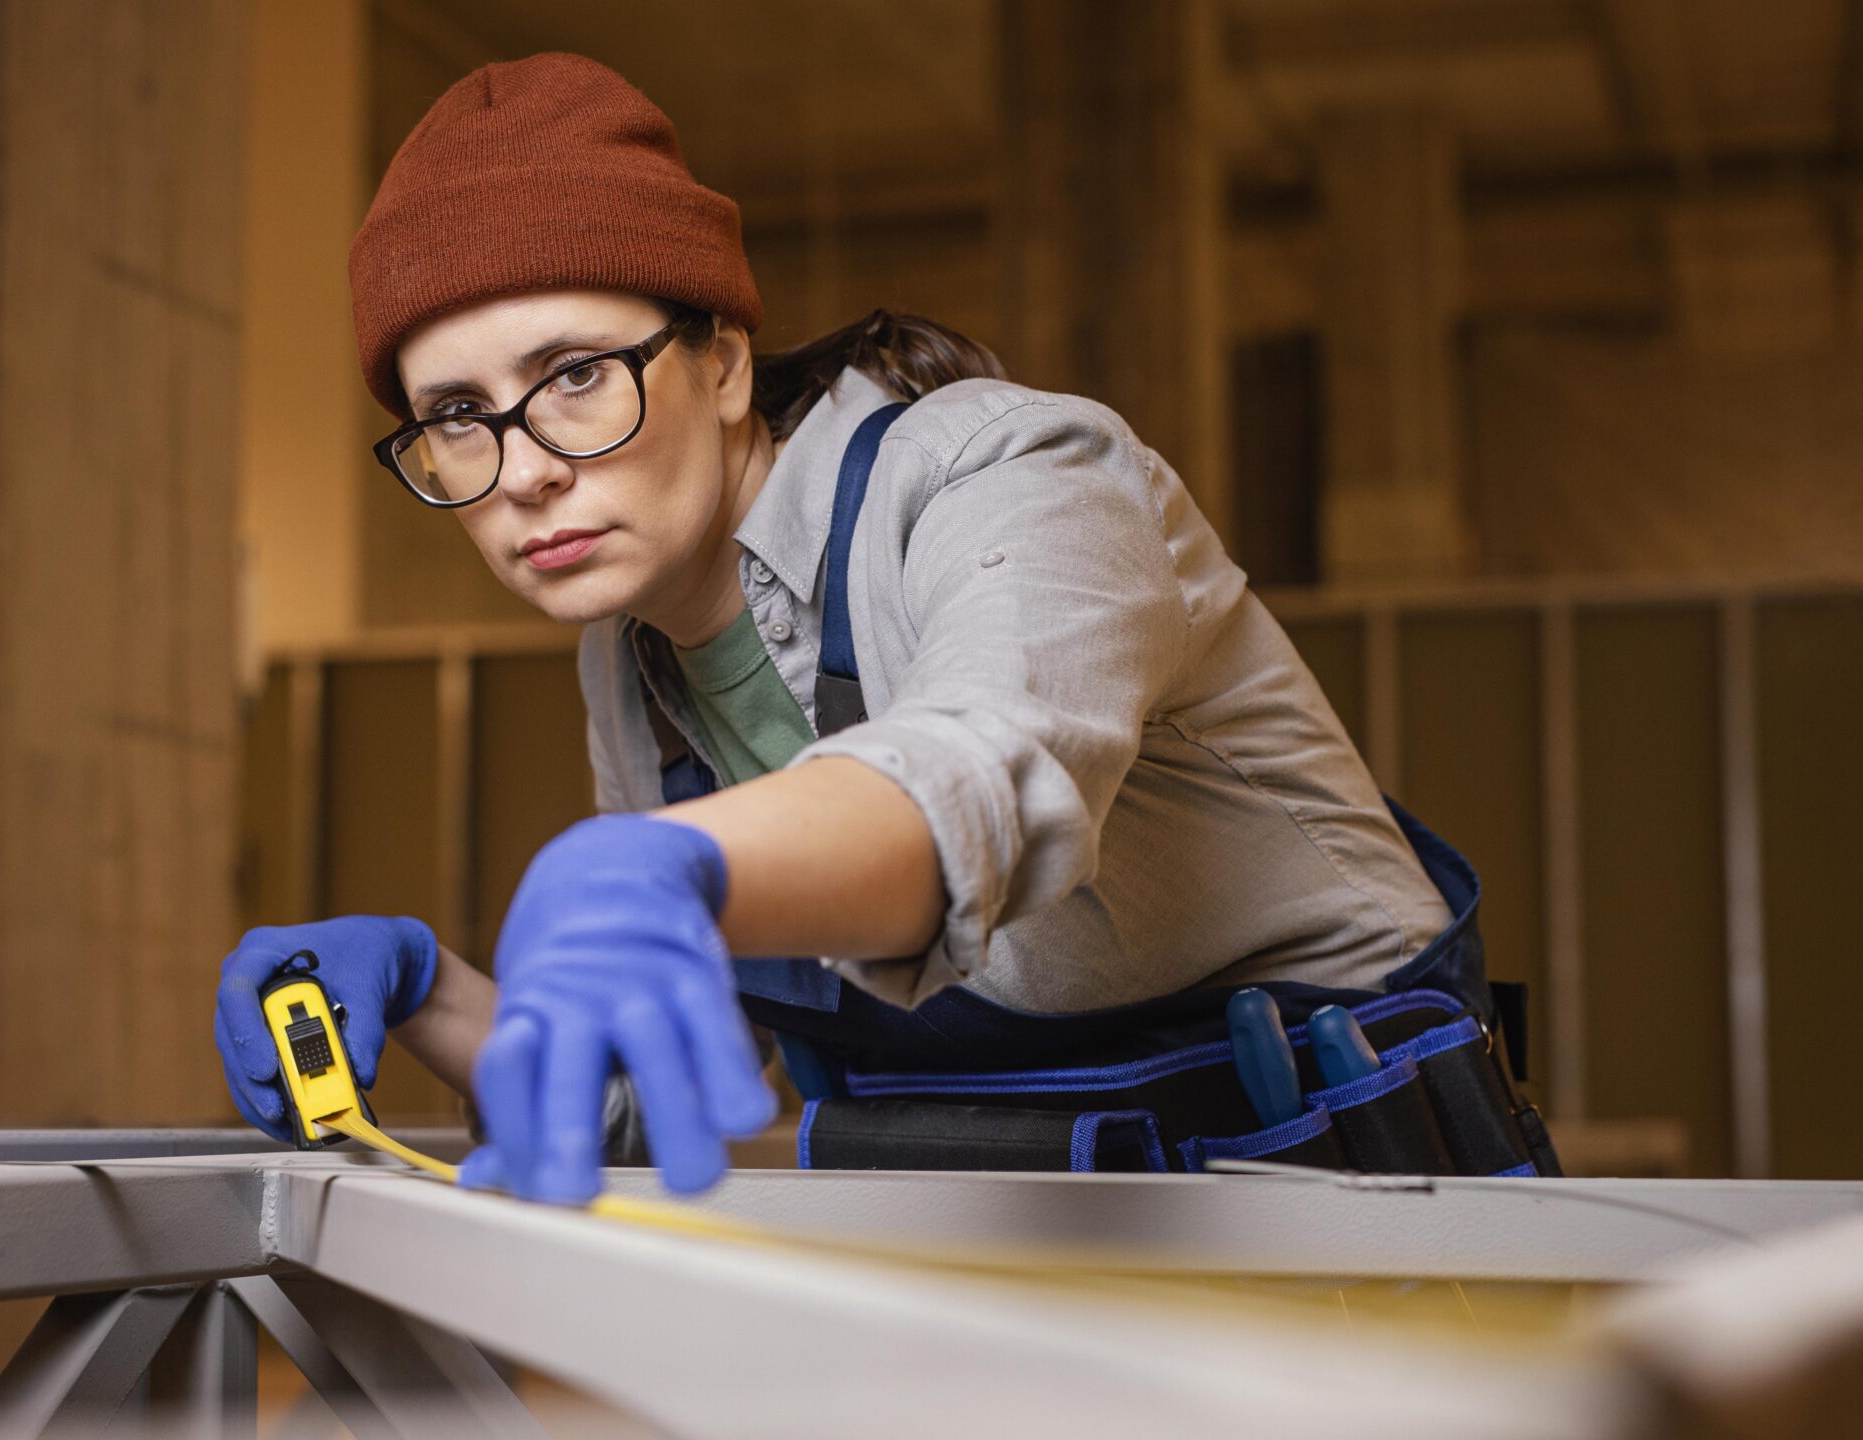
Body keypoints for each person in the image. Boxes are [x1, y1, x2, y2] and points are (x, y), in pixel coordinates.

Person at [214, 52, 1555, 1206]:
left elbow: (976, 780)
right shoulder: (628, 662)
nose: (524, 470)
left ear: (724, 359)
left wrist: (664, 863)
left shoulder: (1017, 471)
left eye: (574, 376)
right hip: (1015, 1303)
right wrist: (432, 993)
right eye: (458, 415)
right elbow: (677, 1110)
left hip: (1373, 1254)